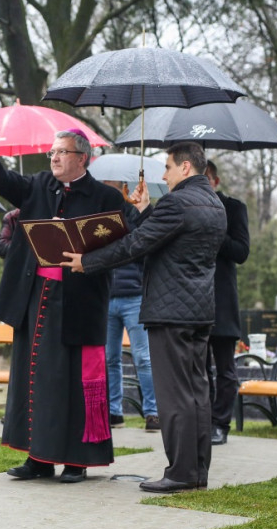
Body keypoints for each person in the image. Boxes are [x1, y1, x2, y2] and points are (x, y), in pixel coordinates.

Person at [0, 113, 137, 484]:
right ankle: (38, 458)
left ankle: (76, 461)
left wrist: (95, 252)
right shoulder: (39, 186)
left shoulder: (106, 197)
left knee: (72, 382)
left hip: (80, 303)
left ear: (82, 158)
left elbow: (132, 242)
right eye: (52, 152)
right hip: (36, 299)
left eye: (62, 152)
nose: (54, 158)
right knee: (35, 380)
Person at [62, 142, 226, 493]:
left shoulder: (177, 202)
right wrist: (146, 209)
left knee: (174, 396)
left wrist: (87, 262)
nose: (163, 175)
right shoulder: (214, 203)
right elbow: (169, 239)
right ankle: (197, 471)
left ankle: (180, 472)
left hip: (170, 312)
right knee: (197, 392)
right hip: (199, 312)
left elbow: (136, 244)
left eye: (167, 167)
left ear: (185, 167)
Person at [101, 181, 159, 433]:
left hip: (133, 295)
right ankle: (114, 412)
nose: (108, 188)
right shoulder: (98, 215)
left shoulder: (134, 213)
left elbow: (145, 247)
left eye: (113, 184)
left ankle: (153, 412)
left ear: (123, 186)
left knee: (143, 357)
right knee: (109, 358)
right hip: (106, 295)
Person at [205, 161, 250, 446]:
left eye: (206, 178)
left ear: (216, 181)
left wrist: (215, 230)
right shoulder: (185, 208)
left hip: (221, 301)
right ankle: (203, 421)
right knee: (198, 370)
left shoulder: (233, 208)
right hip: (191, 300)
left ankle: (221, 423)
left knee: (225, 369)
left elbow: (241, 252)